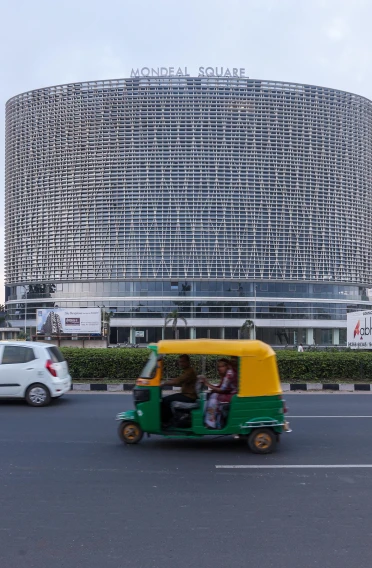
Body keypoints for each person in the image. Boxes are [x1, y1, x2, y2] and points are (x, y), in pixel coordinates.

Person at [161, 355, 197, 425]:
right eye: (180, 362)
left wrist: (164, 383)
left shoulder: (189, 372)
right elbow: (179, 382)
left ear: (188, 362)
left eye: (183, 362)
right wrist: (170, 383)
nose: (181, 364)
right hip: (186, 395)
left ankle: (166, 421)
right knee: (167, 399)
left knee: (166, 400)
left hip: (189, 397)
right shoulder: (187, 371)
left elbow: (178, 381)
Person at [203, 358, 238, 429]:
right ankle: (212, 421)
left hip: (234, 395)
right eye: (218, 367)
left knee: (213, 399)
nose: (220, 368)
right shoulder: (228, 373)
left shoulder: (229, 373)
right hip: (231, 394)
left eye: (222, 366)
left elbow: (222, 389)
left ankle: (211, 423)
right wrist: (212, 388)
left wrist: (207, 384)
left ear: (227, 366)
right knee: (213, 395)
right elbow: (221, 387)